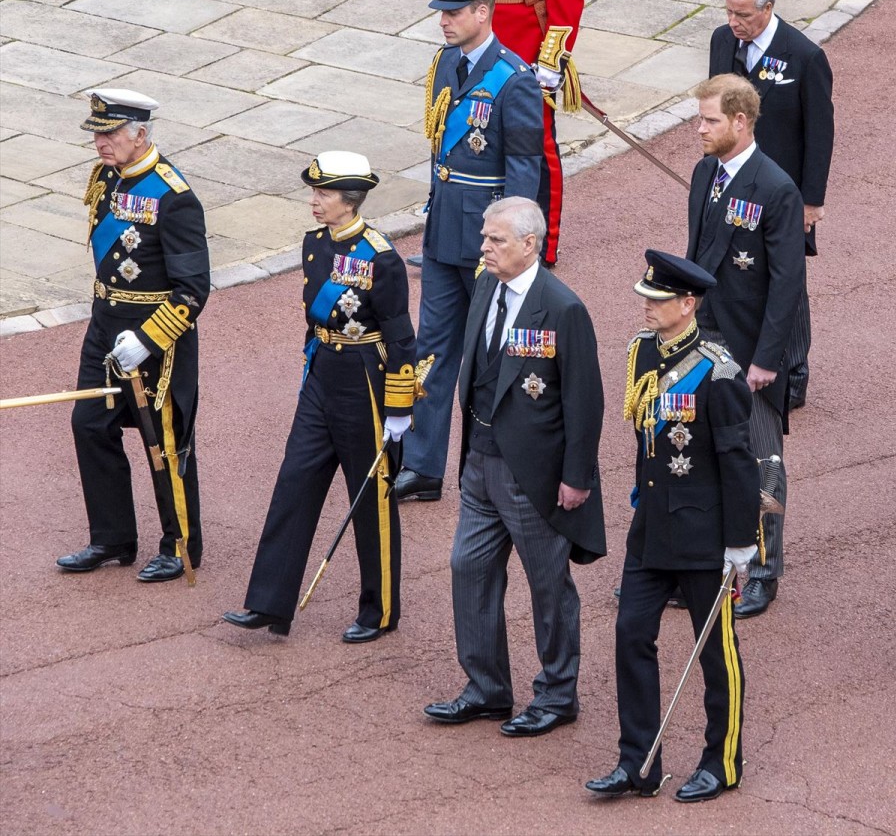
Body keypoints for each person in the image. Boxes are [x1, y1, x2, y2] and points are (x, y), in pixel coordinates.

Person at [423, 197, 605, 736]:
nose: (483, 247)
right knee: (468, 567)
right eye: (484, 236)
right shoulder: (485, 285)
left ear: (529, 245)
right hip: (479, 461)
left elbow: (583, 400)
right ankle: (486, 688)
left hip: (535, 476)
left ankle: (556, 694)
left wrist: (577, 477)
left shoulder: (563, 308)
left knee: (547, 585)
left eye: (495, 239)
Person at [585, 250, 758, 803]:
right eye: (646, 296)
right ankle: (639, 761)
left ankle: (722, 761)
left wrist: (741, 544)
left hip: (706, 535)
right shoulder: (640, 353)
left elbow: (737, 461)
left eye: (658, 300)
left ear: (688, 305)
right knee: (631, 634)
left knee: (716, 652)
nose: (647, 305)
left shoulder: (719, 369)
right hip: (652, 526)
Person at [222, 152, 415, 642]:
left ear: (349, 202)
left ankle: (380, 610)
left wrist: (398, 408)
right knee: (294, 483)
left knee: (369, 498)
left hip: (365, 381)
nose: (314, 201)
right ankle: (269, 603)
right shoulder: (315, 244)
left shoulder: (382, 257)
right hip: (322, 374)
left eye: (323, 194)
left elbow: (401, 338)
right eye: (315, 193)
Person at [392, 0, 543, 504]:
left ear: (483, 13)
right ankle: (423, 464)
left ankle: (501, 466)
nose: (444, 20)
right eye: (442, 11)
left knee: (496, 360)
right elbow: (443, 161)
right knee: (432, 349)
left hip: (490, 245)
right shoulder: (443, 67)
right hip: (442, 236)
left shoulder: (515, 79)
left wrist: (515, 249)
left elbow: (525, 170)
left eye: (453, 13)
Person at [58, 89, 209, 583]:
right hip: (106, 327)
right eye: (97, 134)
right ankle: (112, 537)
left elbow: (192, 289)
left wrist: (147, 338)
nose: (100, 143)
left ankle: (180, 543)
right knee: (89, 425)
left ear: (140, 134)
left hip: (154, 339)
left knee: (165, 441)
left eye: (110, 133)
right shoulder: (106, 177)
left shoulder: (175, 197)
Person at [685, 73, 805, 619]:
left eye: (710, 120)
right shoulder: (705, 172)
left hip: (748, 349)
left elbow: (787, 286)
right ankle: (695, 565)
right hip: (701, 339)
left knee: (761, 462)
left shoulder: (776, 188)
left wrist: (766, 360)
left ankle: (763, 571)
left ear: (740, 120)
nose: (700, 129)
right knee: (696, 452)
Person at [710, 0, 834, 411]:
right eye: (728, 11)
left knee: (787, 278)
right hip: (733, 181)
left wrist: (812, 201)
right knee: (734, 264)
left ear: (769, 7)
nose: (733, 22)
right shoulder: (722, 42)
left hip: (783, 193)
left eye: (742, 14)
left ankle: (795, 370)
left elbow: (820, 133)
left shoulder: (805, 56)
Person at [466, 0, 584, 267]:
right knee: (478, 132)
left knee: (536, 142)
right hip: (484, 34)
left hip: (527, 40)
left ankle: (544, 244)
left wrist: (550, 59)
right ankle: (482, 238)